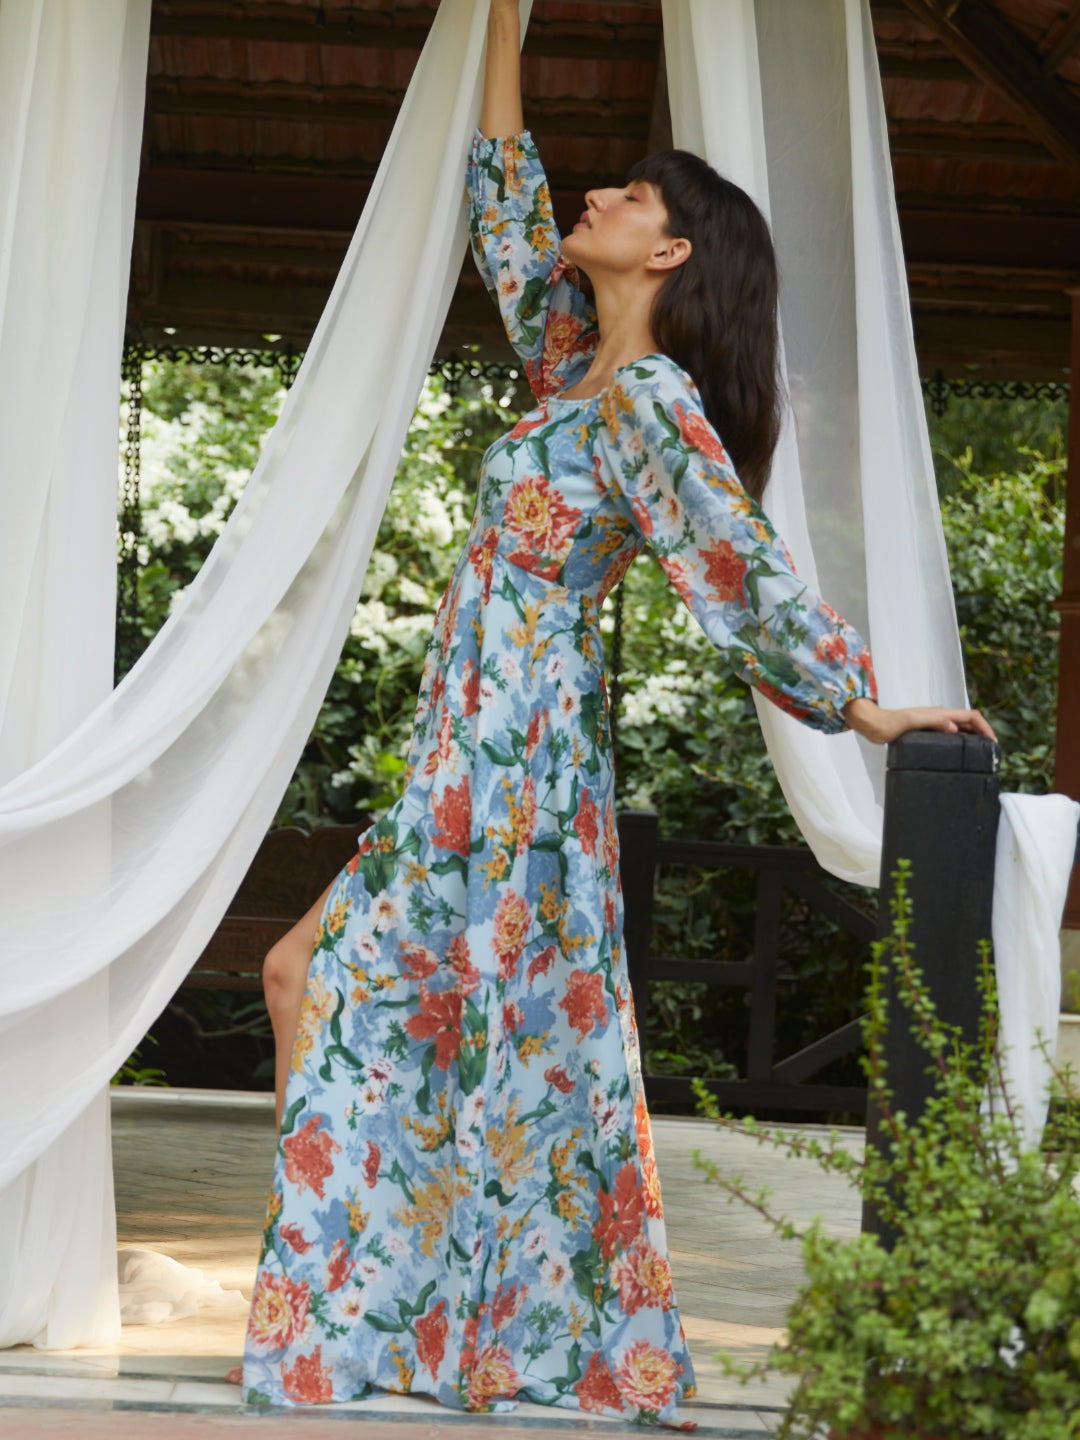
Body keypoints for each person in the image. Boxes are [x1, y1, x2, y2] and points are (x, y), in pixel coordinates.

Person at [235, 0, 995, 1425]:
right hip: (468, 748)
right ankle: (376, 1318)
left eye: (633, 195)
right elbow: (507, 201)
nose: (602, 195)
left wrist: (862, 710)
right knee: (392, 1010)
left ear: (673, 250)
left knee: (327, 986)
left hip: (516, 757)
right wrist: (497, 23)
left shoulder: (647, 400)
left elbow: (735, 561)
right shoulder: (568, 368)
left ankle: (349, 1322)